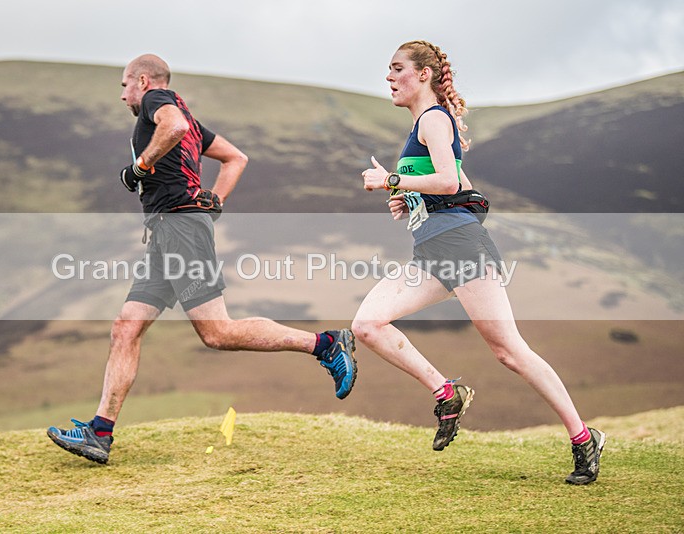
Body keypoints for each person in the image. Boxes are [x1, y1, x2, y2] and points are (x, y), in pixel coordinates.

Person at [47, 54, 357, 464]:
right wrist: (216, 200)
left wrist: (139, 167)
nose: (122, 95)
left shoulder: (160, 101)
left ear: (143, 81)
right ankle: (99, 433)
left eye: (124, 86)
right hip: (167, 233)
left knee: (217, 333)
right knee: (126, 327)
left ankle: (324, 344)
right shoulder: (192, 121)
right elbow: (236, 158)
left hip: (181, 229)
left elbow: (173, 128)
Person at [352, 41, 605, 485]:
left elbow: (449, 180)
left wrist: (392, 179)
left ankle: (584, 438)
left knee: (509, 352)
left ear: (423, 75)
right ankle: (448, 393)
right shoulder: (423, 125)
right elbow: (468, 194)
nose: (389, 78)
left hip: (462, 249)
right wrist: (410, 197)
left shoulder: (432, 119)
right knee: (368, 324)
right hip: (433, 251)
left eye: (397, 69)